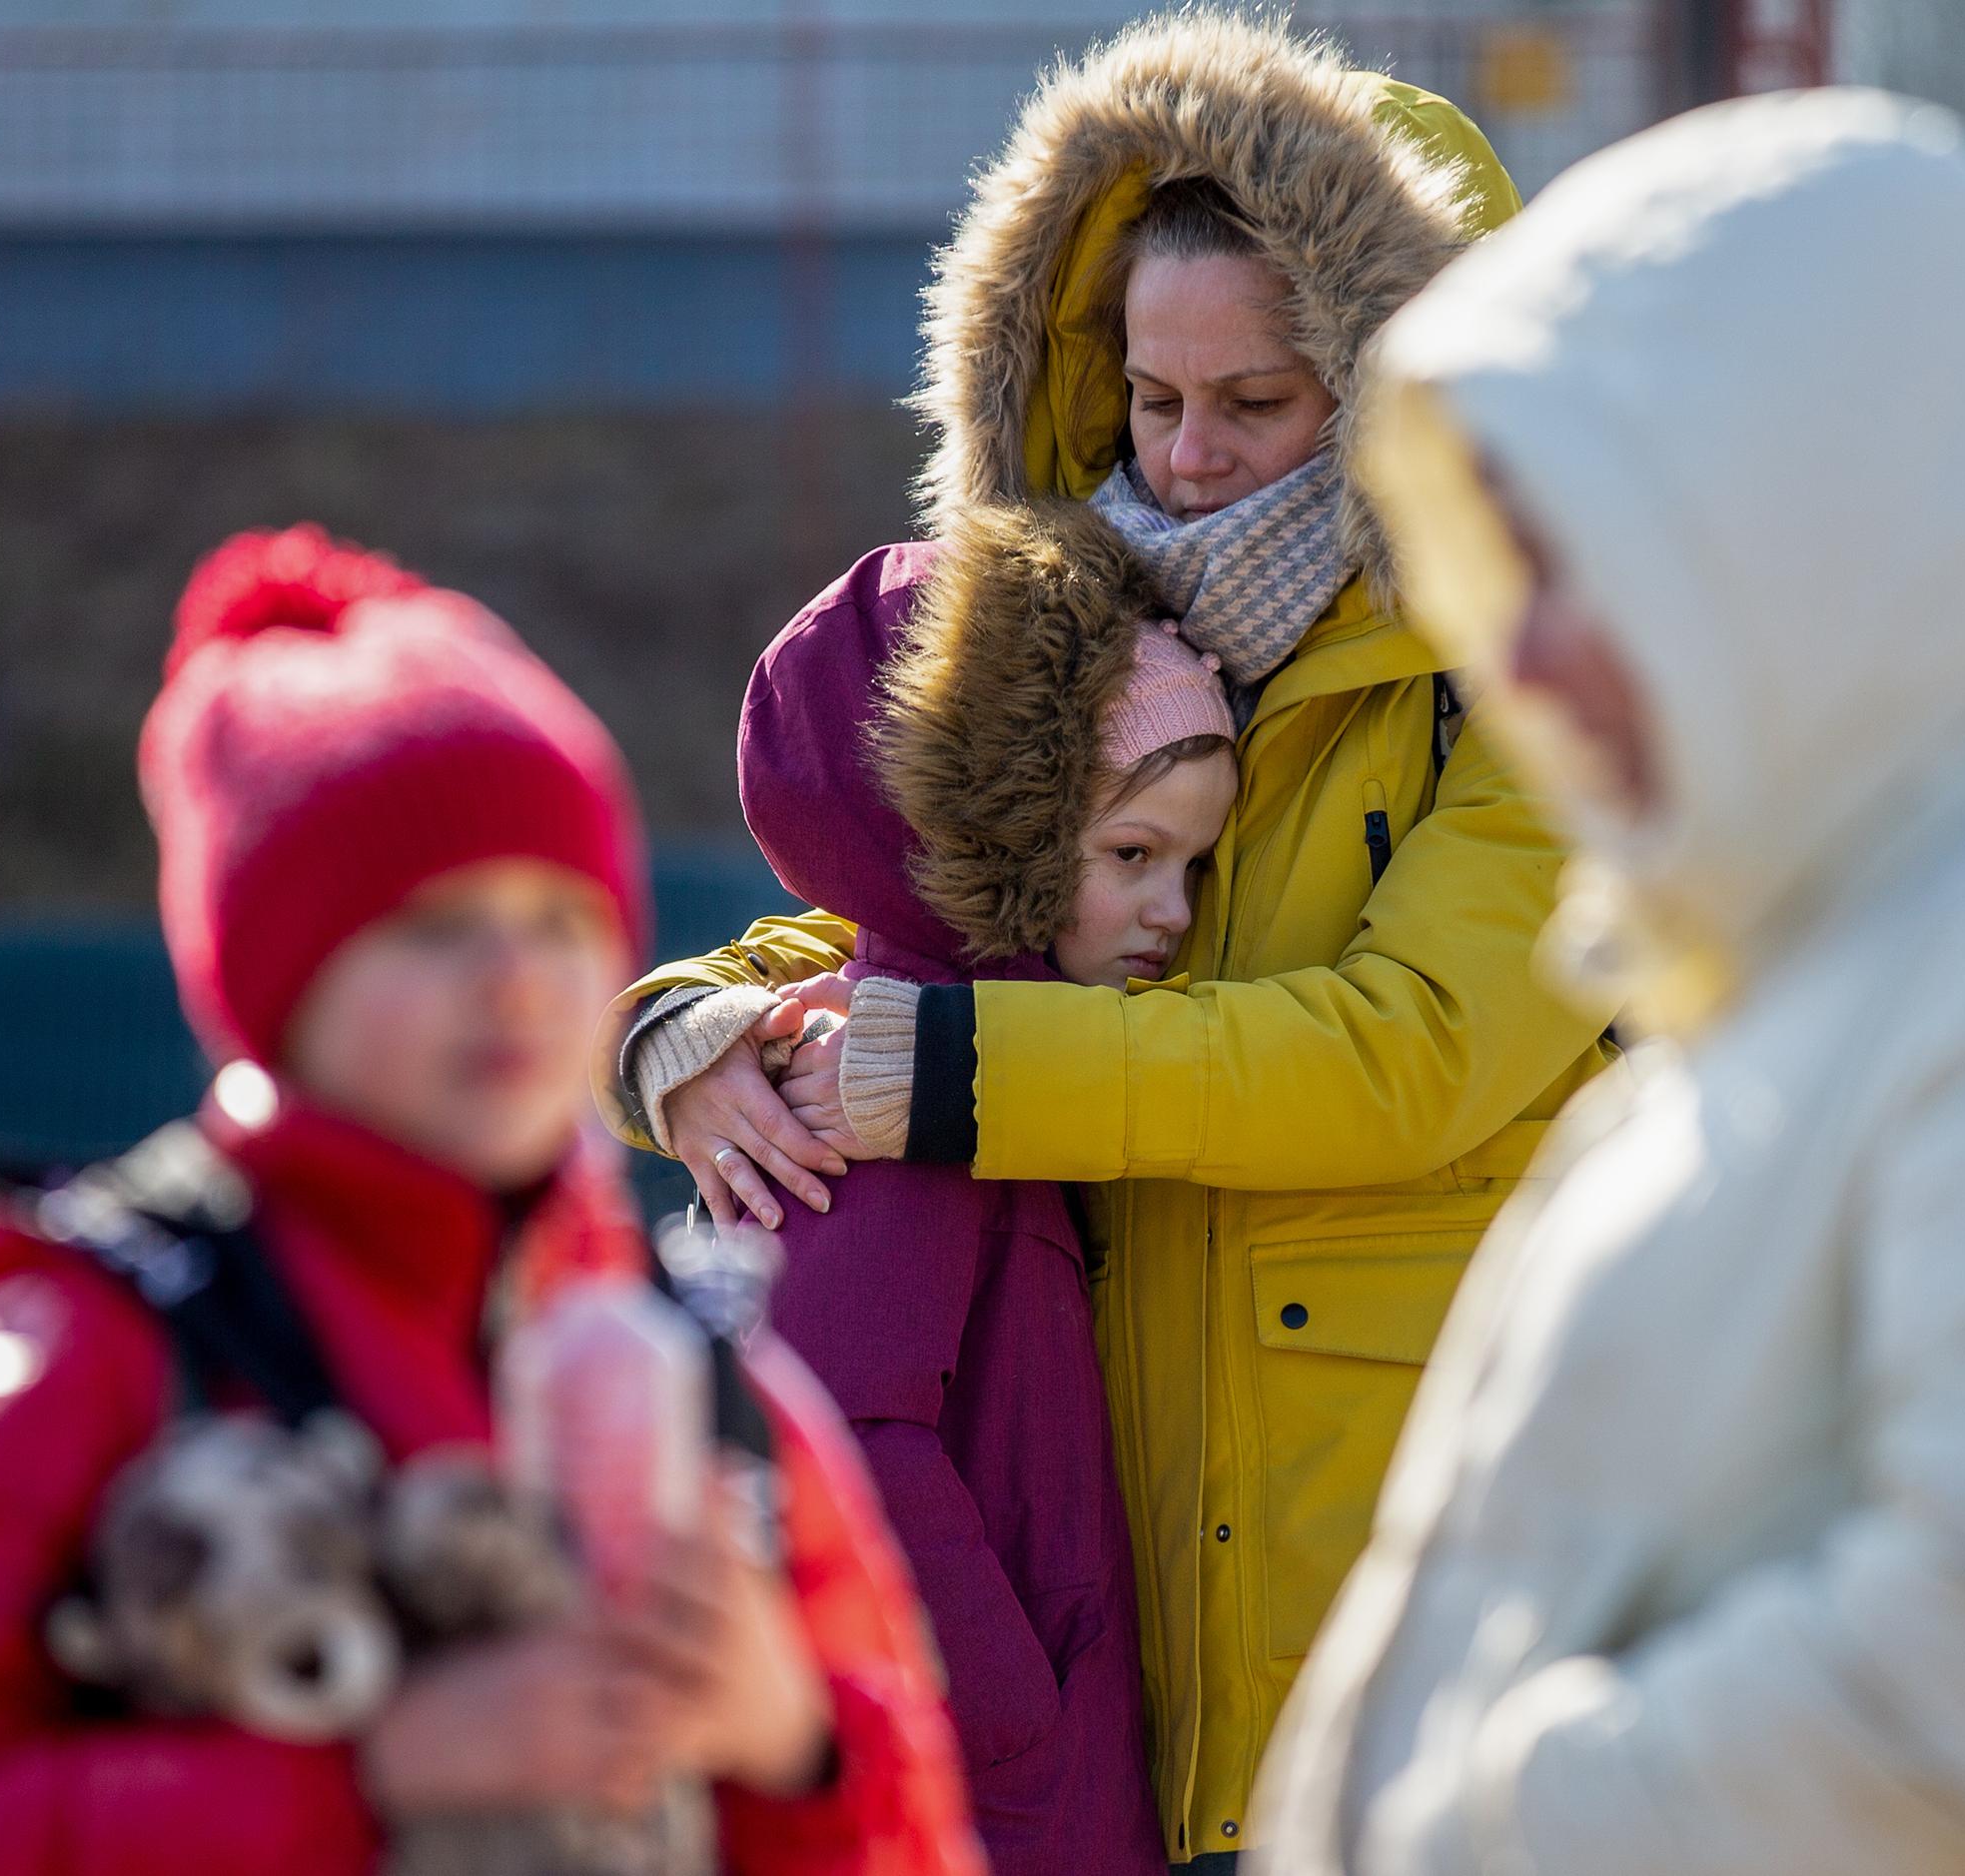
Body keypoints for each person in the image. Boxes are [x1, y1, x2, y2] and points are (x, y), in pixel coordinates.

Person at [1249, 89, 1965, 1875]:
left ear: (1810, 506)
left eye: (1591, 552)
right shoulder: (1837, 920)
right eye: (1509, 564)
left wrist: (1496, 1829)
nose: (1518, 649)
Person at [593, 15, 1613, 1862]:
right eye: (1153, 398)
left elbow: (1402, 1057)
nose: (1193, 456)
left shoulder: (1531, 683)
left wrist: (958, 1077)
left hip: (1417, 1600)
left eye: (1260, 402)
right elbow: (916, 909)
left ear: (1399, 385)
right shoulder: (1109, 638)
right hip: (1129, 1598)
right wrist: (683, 1032)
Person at [0, 527, 985, 1876]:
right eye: (434, 924)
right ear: (279, 977)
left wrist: (791, 1742)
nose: (514, 977)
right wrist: (370, 1774)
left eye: (560, 920)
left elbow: (916, 1837)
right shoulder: (86, 1346)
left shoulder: (705, 1388)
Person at [711, 500, 1236, 1873]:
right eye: (1131, 855)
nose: (1172, 910)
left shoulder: (992, 1062)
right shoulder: (885, 1089)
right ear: (991, 830)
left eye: (1193, 862)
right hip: (998, 1804)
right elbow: (841, 1437)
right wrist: (1015, 1721)